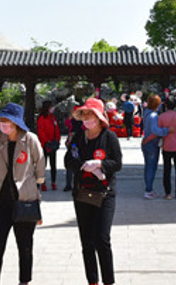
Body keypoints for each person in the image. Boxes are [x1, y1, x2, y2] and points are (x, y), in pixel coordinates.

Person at [0, 102, 45, 285]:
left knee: (25, 246)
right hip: (1, 201)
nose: (4, 125)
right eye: (2, 121)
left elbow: (40, 164)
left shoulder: (30, 139)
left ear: (16, 123)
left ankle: (24, 281)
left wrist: (36, 185)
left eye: (7, 121)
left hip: (24, 200)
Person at [66, 97, 122, 285]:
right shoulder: (78, 138)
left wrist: (100, 164)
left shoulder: (109, 137)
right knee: (87, 241)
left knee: (102, 238)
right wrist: (84, 165)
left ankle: (108, 281)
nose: (87, 119)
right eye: (84, 115)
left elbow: (117, 163)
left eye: (91, 115)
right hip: (82, 193)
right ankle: (92, 281)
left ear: (99, 117)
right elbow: (68, 160)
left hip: (104, 194)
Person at [139, 93, 168, 199]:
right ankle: (148, 190)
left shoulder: (146, 113)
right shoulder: (154, 116)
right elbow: (155, 131)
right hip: (152, 143)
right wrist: (166, 130)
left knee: (148, 166)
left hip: (146, 142)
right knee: (152, 167)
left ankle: (148, 188)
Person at [36, 99, 61, 191]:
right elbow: (41, 131)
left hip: (53, 143)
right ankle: (43, 183)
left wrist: (57, 140)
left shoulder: (52, 117)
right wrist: (47, 141)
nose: (52, 108)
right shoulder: (42, 118)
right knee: (43, 165)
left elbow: (56, 129)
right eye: (51, 106)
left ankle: (53, 182)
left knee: (53, 165)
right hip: (44, 145)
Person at [62, 112, 83, 192]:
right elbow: (66, 123)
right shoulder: (77, 122)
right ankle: (72, 184)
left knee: (73, 163)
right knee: (72, 162)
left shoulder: (81, 122)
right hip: (74, 144)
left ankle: (73, 184)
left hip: (76, 144)